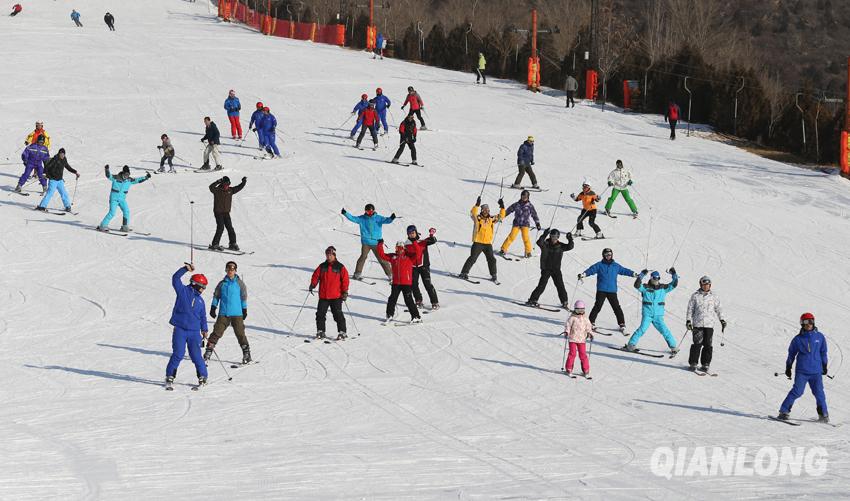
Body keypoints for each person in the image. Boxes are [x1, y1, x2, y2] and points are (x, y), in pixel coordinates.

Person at [778, 313, 829, 423]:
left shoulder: (820, 337)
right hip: (802, 371)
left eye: (810, 321)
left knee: (819, 393)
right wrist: (788, 367)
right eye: (805, 322)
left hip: (816, 372)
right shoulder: (798, 339)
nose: (808, 324)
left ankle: (823, 415)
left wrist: (824, 365)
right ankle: (784, 411)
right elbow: (791, 353)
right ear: (802, 324)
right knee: (797, 391)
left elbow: (823, 352)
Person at [165, 263, 209, 389]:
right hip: (180, 329)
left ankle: (203, 377)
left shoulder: (201, 301)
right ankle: (170, 376)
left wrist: (204, 329)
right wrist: (185, 269)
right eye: (202, 287)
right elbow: (175, 278)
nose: (203, 290)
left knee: (196, 356)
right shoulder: (182, 291)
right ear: (196, 285)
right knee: (178, 353)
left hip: (194, 332)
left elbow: (203, 317)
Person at [579, 248, 638, 331]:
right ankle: (590, 322)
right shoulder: (599, 265)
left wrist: (633, 274)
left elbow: (624, 270)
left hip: (612, 290)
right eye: (606, 255)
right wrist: (584, 274)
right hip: (601, 290)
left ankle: (622, 324)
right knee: (598, 306)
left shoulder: (615, 266)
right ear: (603, 255)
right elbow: (591, 270)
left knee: (616, 307)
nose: (608, 256)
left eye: (610, 254)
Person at [205, 261, 251, 364]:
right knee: (217, 332)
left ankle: (246, 354)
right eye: (229, 269)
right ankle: (208, 352)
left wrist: (244, 309)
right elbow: (216, 296)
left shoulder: (239, 283)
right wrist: (213, 307)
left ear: (235, 271)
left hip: (237, 314)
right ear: (226, 270)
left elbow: (243, 297)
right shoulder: (222, 284)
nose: (230, 271)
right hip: (224, 314)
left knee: (240, 334)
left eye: (232, 269)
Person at [624, 269, 679, 355]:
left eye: (658, 278)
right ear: (651, 278)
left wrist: (674, 274)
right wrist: (641, 275)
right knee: (642, 329)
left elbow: (674, 284)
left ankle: (673, 347)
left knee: (665, 331)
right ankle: (631, 345)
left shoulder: (663, 288)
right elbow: (637, 285)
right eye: (654, 278)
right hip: (647, 314)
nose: (656, 280)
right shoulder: (645, 287)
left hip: (658, 315)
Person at [458, 196, 506, 282]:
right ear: (482, 211)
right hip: (478, 243)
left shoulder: (491, 219)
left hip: (488, 244)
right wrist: (477, 205)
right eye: (484, 210)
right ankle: (464, 273)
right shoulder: (478, 219)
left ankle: (494, 275)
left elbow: (501, 216)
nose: (486, 211)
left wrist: (502, 207)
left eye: (487, 210)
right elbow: (473, 213)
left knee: (492, 259)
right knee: (473, 258)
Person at [341, 203, 395, 279]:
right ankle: (357, 274)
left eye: (371, 212)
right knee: (363, 257)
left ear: (374, 211)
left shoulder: (378, 218)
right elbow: (353, 218)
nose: (370, 213)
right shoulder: (362, 218)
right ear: (365, 211)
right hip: (366, 243)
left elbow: (387, 220)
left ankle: (391, 275)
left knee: (382, 259)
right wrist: (345, 213)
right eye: (368, 212)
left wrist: (391, 218)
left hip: (376, 243)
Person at [685, 275, 726, 372]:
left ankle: (705, 363)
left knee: (708, 345)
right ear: (701, 284)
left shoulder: (714, 296)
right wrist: (688, 320)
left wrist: (722, 319)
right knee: (697, 344)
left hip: (709, 324)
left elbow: (718, 309)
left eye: (708, 285)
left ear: (710, 285)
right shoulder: (695, 296)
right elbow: (690, 309)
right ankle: (693, 363)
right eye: (704, 284)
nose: (706, 286)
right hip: (698, 323)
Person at [376, 239, 421, 323]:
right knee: (392, 299)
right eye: (397, 248)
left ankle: (416, 317)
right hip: (396, 283)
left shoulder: (409, 257)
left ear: (404, 248)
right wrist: (380, 245)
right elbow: (381, 255)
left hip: (406, 283)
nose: (398, 250)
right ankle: (389, 315)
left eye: (400, 248)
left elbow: (418, 253)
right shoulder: (393, 257)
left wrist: (414, 242)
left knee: (408, 300)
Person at [526, 228, 574, 308]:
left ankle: (564, 301)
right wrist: (544, 235)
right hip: (546, 269)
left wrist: (570, 238)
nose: (554, 239)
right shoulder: (545, 244)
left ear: (558, 237)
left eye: (556, 237)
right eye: (552, 236)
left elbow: (570, 246)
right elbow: (539, 242)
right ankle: (532, 300)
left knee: (560, 285)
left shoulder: (560, 246)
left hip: (556, 269)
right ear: (550, 236)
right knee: (542, 285)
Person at [309, 246, 350, 340]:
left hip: (336, 296)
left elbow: (345, 280)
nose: (328, 256)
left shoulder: (340, 267)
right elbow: (316, 275)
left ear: (334, 255)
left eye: (330, 254)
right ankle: (320, 331)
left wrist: (345, 292)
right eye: (327, 254)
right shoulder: (322, 266)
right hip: (324, 296)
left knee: (337, 314)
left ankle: (342, 332)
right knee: (320, 314)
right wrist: (313, 284)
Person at [96, 165, 151, 232]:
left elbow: (137, 180)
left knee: (126, 211)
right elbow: (108, 176)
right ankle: (103, 225)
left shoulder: (129, 180)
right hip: (114, 199)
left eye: (128, 174)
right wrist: (107, 169)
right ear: (123, 173)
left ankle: (124, 226)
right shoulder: (116, 177)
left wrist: (146, 177)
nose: (126, 176)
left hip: (122, 199)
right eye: (125, 174)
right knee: (112, 213)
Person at [405, 225, 439, 310]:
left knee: (427, 284)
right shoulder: (407, 243)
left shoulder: (422, 241)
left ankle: (435, 302)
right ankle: (418, 301)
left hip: (424, 266)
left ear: (416, 232)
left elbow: (433, 240)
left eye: (413, 233)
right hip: (413, 267)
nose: (411, 235)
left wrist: (431, 235)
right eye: (409, 233)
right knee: (414, 285)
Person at [499, 189, 541, 258]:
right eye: (523, 196)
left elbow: (534, 215)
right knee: (511, 236)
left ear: (528, 197)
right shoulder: (516, 204)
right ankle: (503, 249)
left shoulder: (530, 206)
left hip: (525, 224)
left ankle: (528, 252)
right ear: (521, 196)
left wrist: (537, 223)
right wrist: (502, 216)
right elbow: (508, 211)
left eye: (526, 197)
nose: (524, 198)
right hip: (516, 224)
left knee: (526, 238)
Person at [208, 176, 246, 251]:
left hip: (226, 213)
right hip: (218, 212)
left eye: (228, 184)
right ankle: (215, 244)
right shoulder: (217, 190)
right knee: (221, 227)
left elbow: (239, 187)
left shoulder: (230, 190)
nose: (227, 186)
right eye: (225, 185)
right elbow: (211, 187)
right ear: (222, 184)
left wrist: (243, 182)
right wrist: (217, 181)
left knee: (230, 228)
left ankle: (233, 244)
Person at [563, 300, 593, 376]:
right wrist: (567, 332)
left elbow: (589, 327)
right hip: (572, 339)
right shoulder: (572, 318)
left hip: (582, 340)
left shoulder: (585, 318)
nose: (580, 312)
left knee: (583, 355)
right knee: (572, 354)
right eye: (578, 310)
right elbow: (568, 325)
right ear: (575, 309)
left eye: (582, 310)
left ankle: (586, 369)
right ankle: (569, 368)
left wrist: (590, 333)